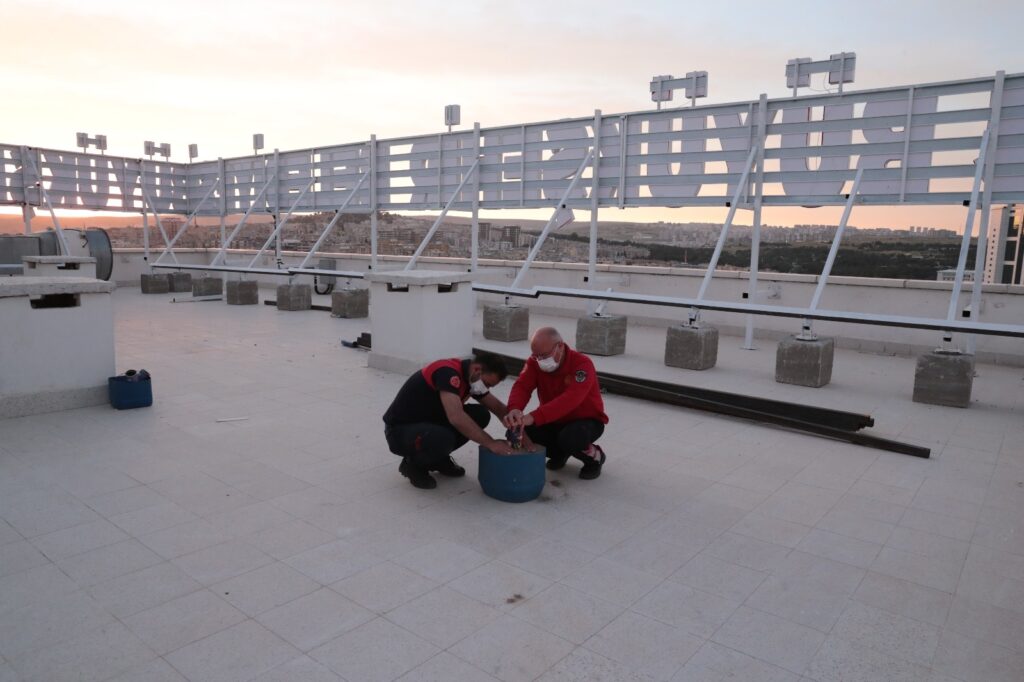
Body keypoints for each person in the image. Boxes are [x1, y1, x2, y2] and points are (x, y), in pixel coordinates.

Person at [384, 352, 514, 489]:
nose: (486, 388)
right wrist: (491, 443)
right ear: (477, 370)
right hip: (400, 431)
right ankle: (413, 465)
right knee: (444, 437)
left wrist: (516, 426)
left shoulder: (472, 378)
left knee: (480, 415)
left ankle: (437, 459)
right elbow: (456, 417)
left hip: (428, 423)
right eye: (487, 384)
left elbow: (497, 408)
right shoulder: (447, 373)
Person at [503, 327, 609, 479]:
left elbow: (570, 399)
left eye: (544, 355)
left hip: (585, 421)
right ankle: (560, 453)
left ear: (560, 346)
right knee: (523, 432)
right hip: (554, 420)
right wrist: (514, 408)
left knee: (571, 438)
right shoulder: (534, 362)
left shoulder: (582, 364)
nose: (540, 360)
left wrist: (533, 417)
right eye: (536, 356)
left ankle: (595, 458)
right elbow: (522, 386)